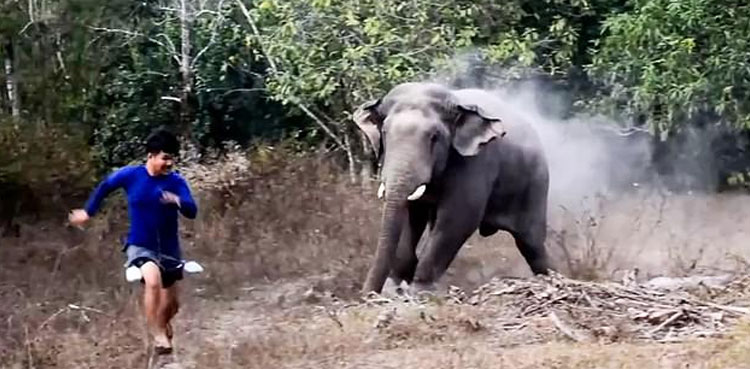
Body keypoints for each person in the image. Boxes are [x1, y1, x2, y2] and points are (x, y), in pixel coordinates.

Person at [69, 128, 197, 354]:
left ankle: (163, 322)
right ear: (151, 155)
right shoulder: (131, 176)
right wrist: (88, 212)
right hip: (140, 244)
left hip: (168, 248)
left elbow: (192, 210)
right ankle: (157, 334)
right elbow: (105, 186)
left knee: (172, 305)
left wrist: (176, 200)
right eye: (165, 158)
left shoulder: (176, 182)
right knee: (152, 280)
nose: (169, 163)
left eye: (172, 159)